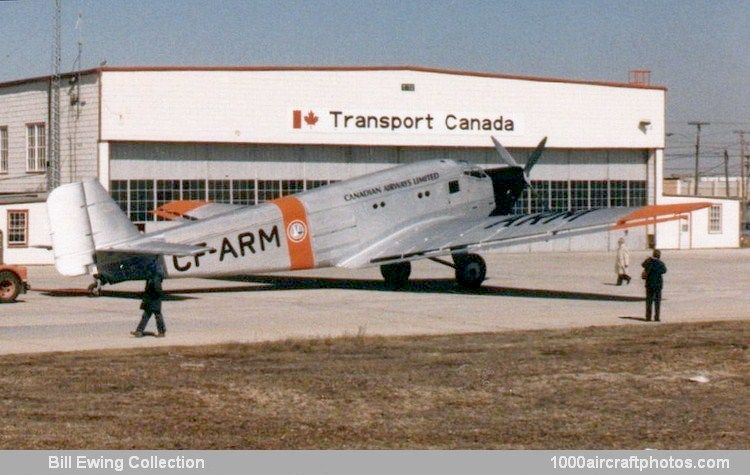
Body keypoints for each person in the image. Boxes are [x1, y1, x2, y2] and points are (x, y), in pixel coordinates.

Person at [131, 267, 166, 338]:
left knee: (156, 315)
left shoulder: (155, 276)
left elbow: (157, 289)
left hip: (153, 299)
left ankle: (161, 332)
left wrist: (151, 295)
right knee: (147, 315)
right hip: (151, 299)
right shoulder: (152, 276)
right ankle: (139, 331)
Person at [641, 249, 667, 322]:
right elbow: (664, 270)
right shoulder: (660, 263)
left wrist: (648, 259)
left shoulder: (649, 262)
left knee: (649, 301)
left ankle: (648, 317)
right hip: (658, 285)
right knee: (657, 302)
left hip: (649, 284)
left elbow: (642, 265)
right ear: (659, 255)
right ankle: (657, 317)